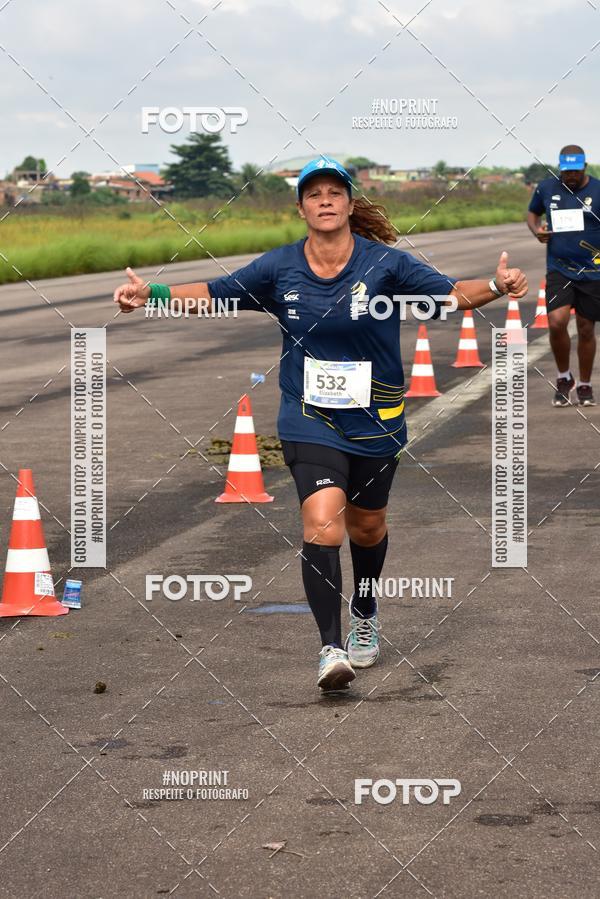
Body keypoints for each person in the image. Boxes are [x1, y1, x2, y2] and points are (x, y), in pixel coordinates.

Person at [114, 156, 527, 692]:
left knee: (367, 527)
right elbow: (217, 294)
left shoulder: (386, 265)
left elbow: (447, 296)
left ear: (351, 204)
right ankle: (331, 649)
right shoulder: (279, 267)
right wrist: (155, 295)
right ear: (302, 207)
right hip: (308, 415)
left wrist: (497, 285)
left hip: (376, 418)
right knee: (322, 523)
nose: (325, 200)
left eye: (335, 192)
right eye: (314, 194)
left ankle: (365, 606)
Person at [527, 144, 600, 406]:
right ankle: (563, 377)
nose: (570, 176)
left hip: (593, 270)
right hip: (559, 267)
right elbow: (533, 213)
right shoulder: (547, 188)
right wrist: (538, 231)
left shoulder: (598, 190)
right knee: (556, 322)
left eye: (575, 171)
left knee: (586, 328)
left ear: (585, 167)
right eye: (565, 171)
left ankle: (584, 384)